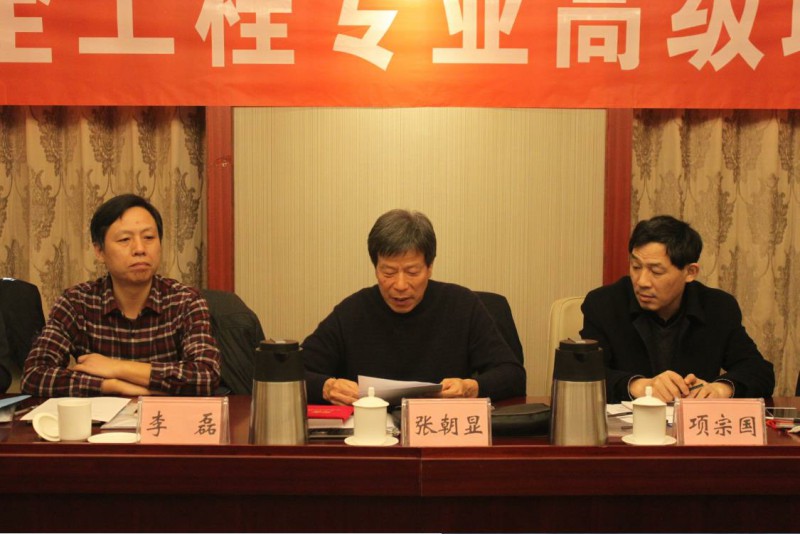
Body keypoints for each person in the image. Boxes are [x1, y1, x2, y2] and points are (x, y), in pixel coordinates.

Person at [302, 209, 526, 405]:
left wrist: (472, 387)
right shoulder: (352, 312)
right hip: (371, 433)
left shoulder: (462, 306)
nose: (400, 285)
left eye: (412, 272)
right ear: (375, 267)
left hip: (441, 430)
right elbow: (293, 373)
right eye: (388, 272)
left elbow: (513, 374)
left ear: (429, 267)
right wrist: (326, 387)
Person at [21, 194, 221, 397]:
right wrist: (113, 386)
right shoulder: (77, 302)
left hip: (165, 417)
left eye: (149, 238)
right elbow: (34, 375)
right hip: (101, 418)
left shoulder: (185, 301)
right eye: (125, 239)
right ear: (99, 251)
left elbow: (207, 375)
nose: (140, 249)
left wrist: (115, 367)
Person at [581, 215, 774, 403]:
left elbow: (758, 370)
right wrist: (640, 386)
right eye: (636, 267)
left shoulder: (717, 307)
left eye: (656, 271)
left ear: (690, 272)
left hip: (692, 422)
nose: (642, 282)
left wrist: (720, 389)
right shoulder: (604, 304)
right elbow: (583, 372)